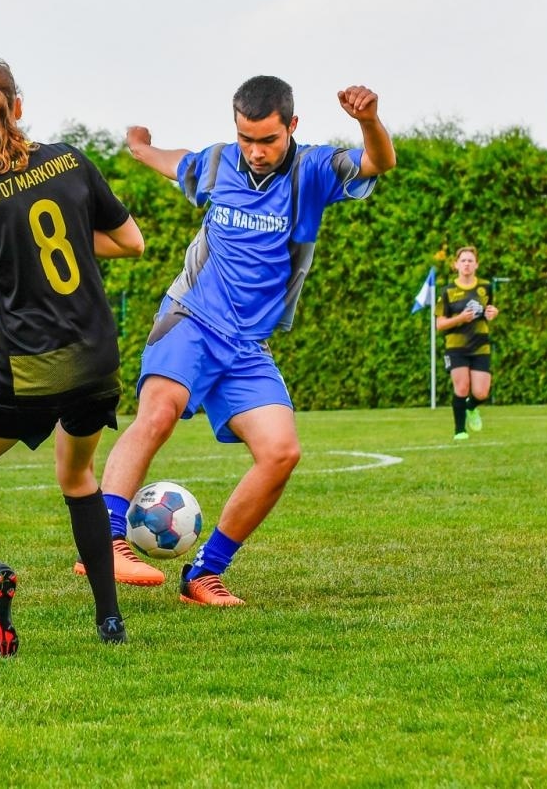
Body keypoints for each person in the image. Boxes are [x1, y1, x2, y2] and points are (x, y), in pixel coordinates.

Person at [77, 76, 395, 606]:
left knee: (281, 452)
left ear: (292, 126)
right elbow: (179, 162)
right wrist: (140, 148)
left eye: (268, 139)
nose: (255, 151)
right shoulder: (220, 161)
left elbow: (377, 162)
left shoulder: (313, 170)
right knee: (159, 412)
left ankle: (204, 573)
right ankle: (106, 541)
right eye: (246, 138)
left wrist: (368, 121)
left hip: (248, 347)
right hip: (191, 317)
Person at [0, 59, 146, 656]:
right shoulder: (71, 161)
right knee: (78, 477)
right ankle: (109, 619)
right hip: (96, 360)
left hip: (26, 369)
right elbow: (132, 242)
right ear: (19, 106)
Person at [435, 246, 499, 441]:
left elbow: (489, 311)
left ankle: (471, 407)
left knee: (482, 392)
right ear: (456, 265)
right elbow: (440, 324)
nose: (467, 264)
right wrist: (460, 318)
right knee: (462, 388)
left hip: (480, 345)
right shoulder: (447, 291)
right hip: (456, 347)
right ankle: (460, 431)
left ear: (476, 265)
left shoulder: (486, 287)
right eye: (463, 261)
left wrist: (493, 313)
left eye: (470, 260)